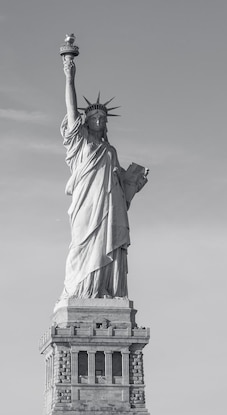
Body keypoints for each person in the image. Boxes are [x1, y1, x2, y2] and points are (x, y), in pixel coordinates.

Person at [60, 55, 148, 299]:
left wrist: (133, 184)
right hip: (86, 206)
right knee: (82, 244)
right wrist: (70, 77)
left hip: (109, 206)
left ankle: (103, 289)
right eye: (95, 118)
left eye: (103, 119)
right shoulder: (80, 144)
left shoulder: (110, 151)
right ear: (86, 122)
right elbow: (70, 112)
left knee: (107, 242)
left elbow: (119, 189)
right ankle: (83, 289)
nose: (99, 121)